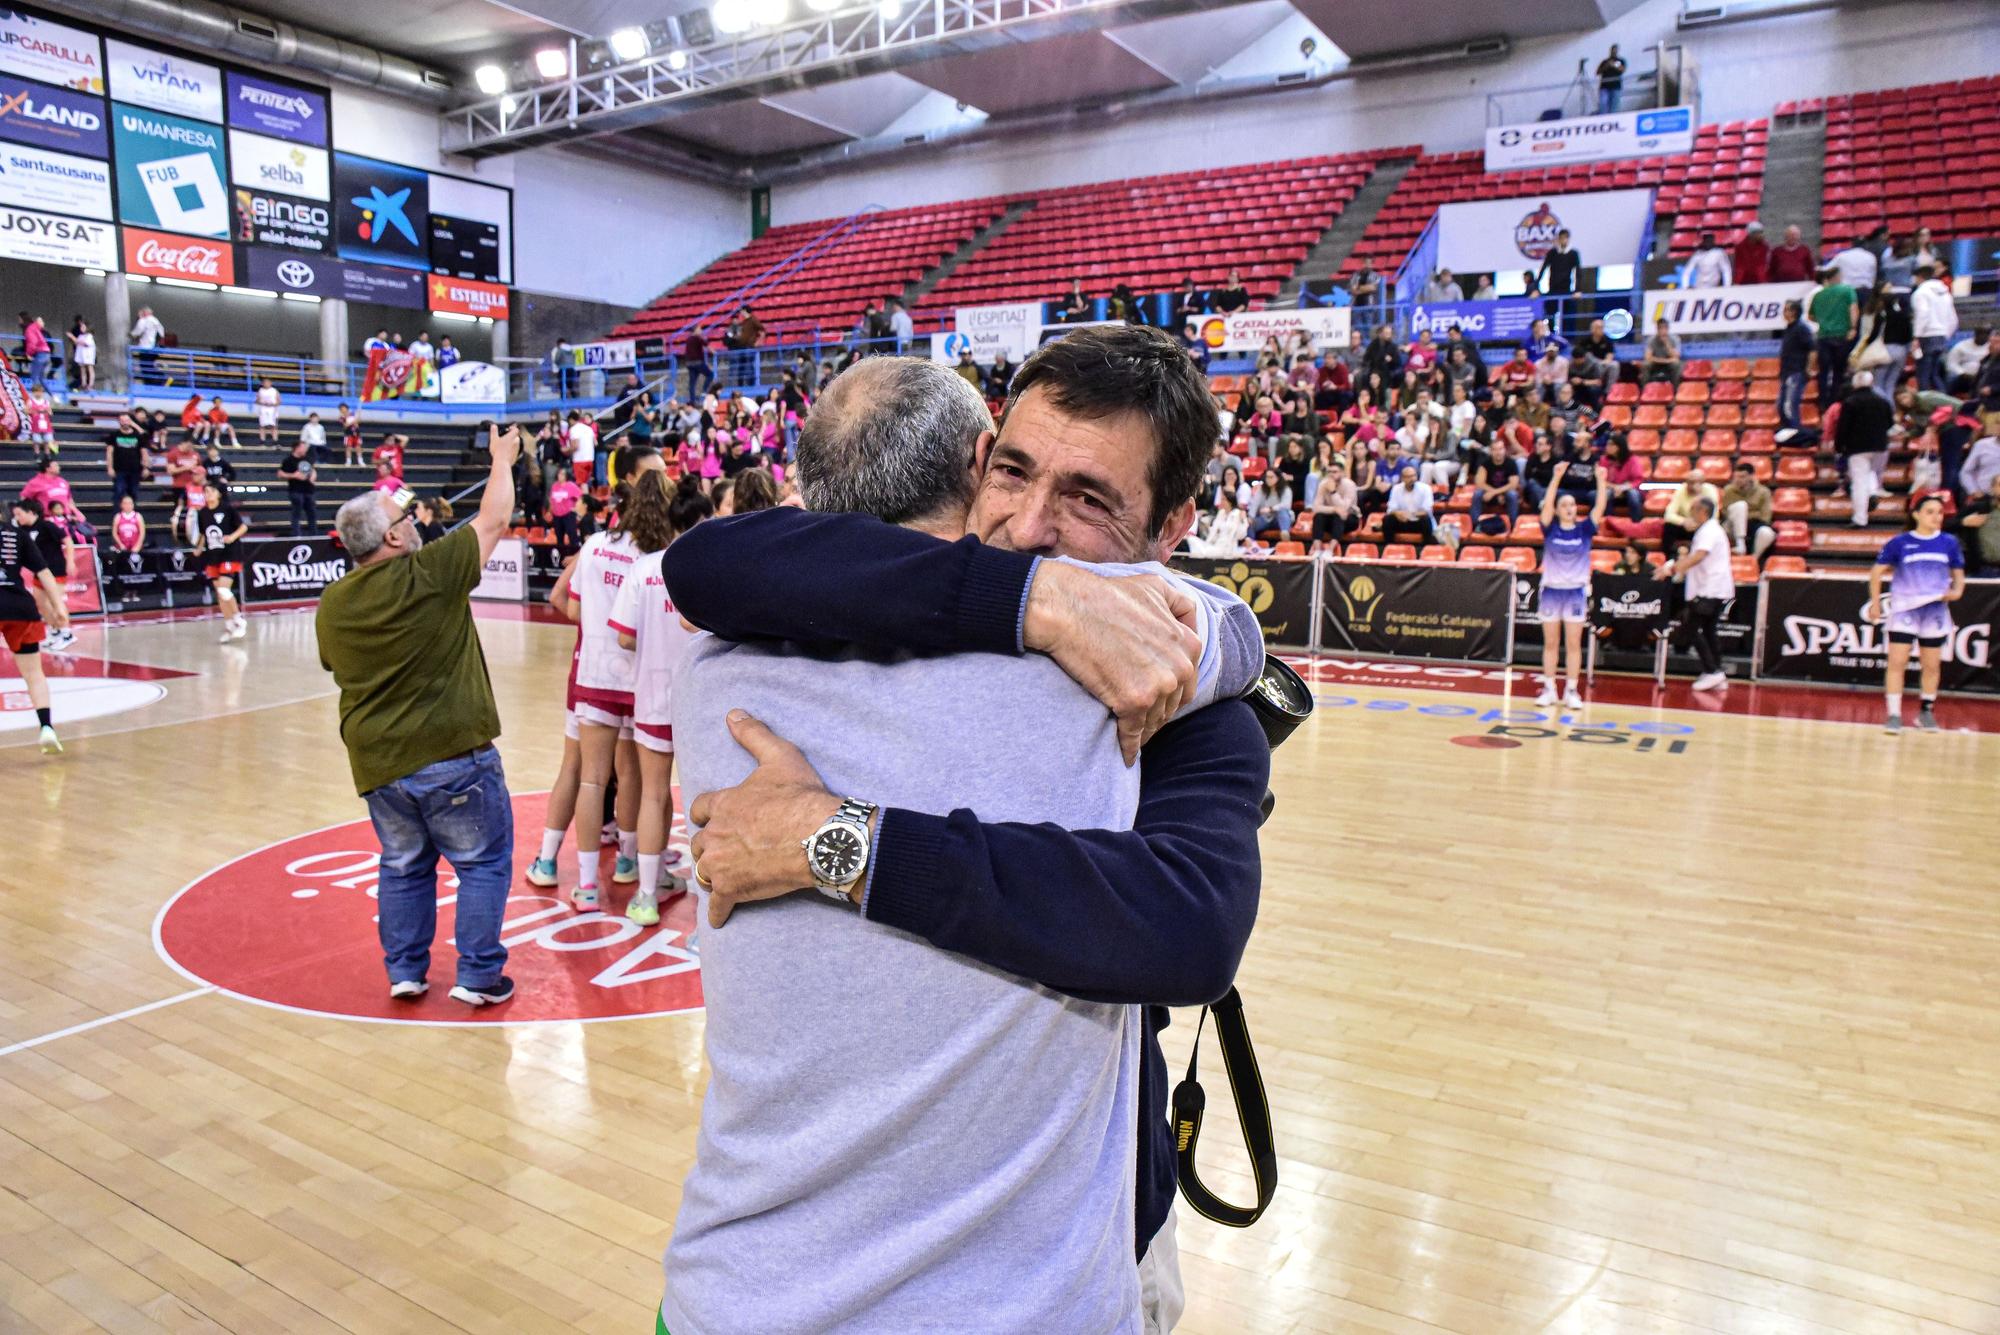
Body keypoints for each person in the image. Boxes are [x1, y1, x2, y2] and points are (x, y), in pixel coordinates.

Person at [661, 331, 1268, 1332]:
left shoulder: (1171, 693)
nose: (1026, 526)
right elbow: (710, 562)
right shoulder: (825, 602)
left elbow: (1187, 928)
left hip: (1074, 1227)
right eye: (1012, 472)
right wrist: (1035, 601)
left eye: (1087, 499)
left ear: (1170, 529)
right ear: (976, 460)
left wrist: (835, 841)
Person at [318, 426, 521, 1005]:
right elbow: (494, 520)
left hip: (379, 763)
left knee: (403, 866)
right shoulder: (427, 574)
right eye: (402, 519)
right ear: (389, 537)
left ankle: (405, 971)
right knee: (482, 865)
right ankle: (478, 976)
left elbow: (336, 667)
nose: (413, 523)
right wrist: (501, 459)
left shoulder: (334, 602)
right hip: (451, 754)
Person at [1869, 493, 1964, 734]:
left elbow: (1958, 574)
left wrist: (1957, 592)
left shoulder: (1949, 542)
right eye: (1930, 512)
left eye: (1940, 513)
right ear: (1916, 515)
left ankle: (1926, 712)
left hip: (1934, 611)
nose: (1936, 517)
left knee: (1931, 664)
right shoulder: (1900, 542)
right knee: (1897, 662)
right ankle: (1893, 714)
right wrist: (1875, 603)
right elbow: (1876, 572)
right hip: (1904, 609)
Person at [1536, 460, 1607, 706]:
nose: (1568, 508)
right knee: (1551, 642)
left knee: (1574, 643)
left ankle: (1572, 691)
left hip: (1576, 592)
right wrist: (1556, 477)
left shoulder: (1585, 529)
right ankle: (1548, 688)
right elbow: (1546, 505)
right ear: (1557, 509)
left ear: (1576, 509)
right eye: (1563, 505)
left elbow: (1600, 506)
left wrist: (1600, 479)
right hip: (1552, 592)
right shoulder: (1549, 529)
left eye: (1572, 505)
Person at [3, 498, 67, 752]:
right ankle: (46, 728)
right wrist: (59, 606)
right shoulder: (18, 535)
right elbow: (43, 572)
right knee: (33, 674)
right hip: (21, 608)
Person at [1658, 495, 1734, 691]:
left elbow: (1698, 556)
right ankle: (1717, 672)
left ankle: (1712, 671)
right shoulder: (1709, 530)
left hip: (1709, 588)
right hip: (1713, 588)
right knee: (1709, 631)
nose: (1690, 514)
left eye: (1693, 510)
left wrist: (1672, 570)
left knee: (1689, 629)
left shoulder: (1709, 531)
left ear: (1703, 512)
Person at [191, 481, 249, 643]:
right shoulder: (202, 513)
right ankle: (229, 625)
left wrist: (231, 537)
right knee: (220, 594)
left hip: (230, 553)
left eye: (211, 491)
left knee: (224, 590)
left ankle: (239, 619)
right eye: (206, 492)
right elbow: (204, 534)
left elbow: (243, 527)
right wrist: (199, 548)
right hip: (213, 555)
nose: (207, 494)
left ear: (218, 494)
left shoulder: (227, 509)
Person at [1835, 370, 1894, 525]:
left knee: (1859, 482)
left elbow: (1843, 428)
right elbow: (1890, 423)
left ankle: (1860, 518)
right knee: (1871, 472)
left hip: (1857, 447)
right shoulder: (1883, 401)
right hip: (1880, 446)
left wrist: (1839, 446)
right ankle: (1873, 491)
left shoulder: (1850, 402)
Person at [1810, 265, 1860, 408]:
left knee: (1824, 371)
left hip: (1823, 336)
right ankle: (1836, 401)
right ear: (1838, 277)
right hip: (1841, 335)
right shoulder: (1847, 290)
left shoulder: (1818, 295)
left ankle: (1822, 403)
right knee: (1839, 371)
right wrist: (1852, 327)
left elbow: (1811, 316)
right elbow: (1853, 309)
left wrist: (1825, 321)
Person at [1910, 264, 1958, 394]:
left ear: (1919, 277)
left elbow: (1923, 314)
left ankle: (1925, 406)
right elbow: (1953, 318)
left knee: (1923, 375)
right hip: (1941, 335)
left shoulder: (1921, 293)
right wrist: (1945, 334)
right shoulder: (1945, 293)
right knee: (1934, 374)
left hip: (1926, 336)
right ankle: (1945, 404)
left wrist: (1916, 336)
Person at [1720, 461, 1776, 560]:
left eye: (1742, 477)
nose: (1738, 480)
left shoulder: (1763, 492)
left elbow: (1765, 516)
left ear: (1751, 476)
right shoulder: (1728, 490)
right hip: (1732, 526)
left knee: (1767, 533)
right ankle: (1740, 544)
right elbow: (1725, 512)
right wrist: (1748, 513)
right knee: (1740, 506)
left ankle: (1753, 560)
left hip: (1754, 526)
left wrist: (1745, 516)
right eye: (1736, 477)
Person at [1777, 299, 1815, 431]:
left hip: (1795, 371)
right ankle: (1788, 432)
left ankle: (1795, 433)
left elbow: (1812, 349)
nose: (1783, 312)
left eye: (1786, 309)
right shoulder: (1789, 329)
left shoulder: (1801, 329)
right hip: (1786, 372)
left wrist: (1809, 368)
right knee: (1781, 406)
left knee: (1790, 406)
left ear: (1793, 312)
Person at [1469, 437, 1521, 534]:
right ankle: (1474, 525)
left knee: (1512, 494)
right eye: (1495, 449)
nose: (1498, 452)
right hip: (1488, 494)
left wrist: (1494, 493)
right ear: (1491, 451)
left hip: (1504, 495)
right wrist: (1494, 493)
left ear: (1504, 450)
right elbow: (1479, 483)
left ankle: (1513, 526)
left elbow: (1513, 485)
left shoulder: (1511, 463)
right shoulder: (1485, 463)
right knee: (1477, 494)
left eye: (1500, 449)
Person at [1309, 457, 1358, 549]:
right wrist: (1334, 509)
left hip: (1350, 518)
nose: (1331, 475)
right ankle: (1317, 550)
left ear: (1342, 473)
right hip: (1331, 516)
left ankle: (1330, 550)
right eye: (1329, 472)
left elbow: (1344, 508)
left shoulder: (1349, 485)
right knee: (1318, 516)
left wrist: (1333, 492)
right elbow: (1316, 508)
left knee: (1338, 517)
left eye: (1335, 472)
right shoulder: (1323, 484)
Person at [103, 412, 146, 510]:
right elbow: (109, 452)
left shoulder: (138, 436)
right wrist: (109, 468)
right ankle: (118, 518)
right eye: (122, 420)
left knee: (134, 493)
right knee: (119, 492)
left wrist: (146, 467)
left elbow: (144, 452)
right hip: (119, 470)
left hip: (135, 470)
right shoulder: (114, 435)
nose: (125, 423)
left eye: (127, 420)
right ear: (119, 422)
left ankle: (132, 518)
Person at [276, 440, 319, 536]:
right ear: (297, 448)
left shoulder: (307, 459)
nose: (305, 450)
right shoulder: (288, 460)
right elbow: (280, 474)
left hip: (308, 490)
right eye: (303, 447)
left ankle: (314, 536)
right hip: (296, 490)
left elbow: (313, 470)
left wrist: (313, 476)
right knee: (297, 514)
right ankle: (297, 535)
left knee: (312, 514)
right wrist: (293, 475)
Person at [1535, 229, 1581, 299]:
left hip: (1566, 287)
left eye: (1565, 238)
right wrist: (1536, 288)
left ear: (1568, 239)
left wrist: (1577, 290)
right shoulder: (1552, 253)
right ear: (1558, 239)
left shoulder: (1573, 254)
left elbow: (1578, 272)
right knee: (1551, 306)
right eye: (1561, 238)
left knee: (1567, 307)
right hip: (1553, 286)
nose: (1563, 240)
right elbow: (1543, 268)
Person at [130, 306, 164, 385]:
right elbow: (161, 333)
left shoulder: (143, 320)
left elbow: (136, 332)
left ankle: (152, 382)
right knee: (150, 364)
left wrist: (139, 318)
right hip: (155, 347)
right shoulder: (155, 320)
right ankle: (159, 379)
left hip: (145, 347)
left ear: (145, 312)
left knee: (144, 366)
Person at [1643, 317, 1682, 384]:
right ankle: (1645, 389)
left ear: (1668, 329)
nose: (1663, 331)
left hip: (1669, 364)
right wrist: (1665, 361)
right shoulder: (1651, 340)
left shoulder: (1675, 339)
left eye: (1665, 328)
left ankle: (1675, 389)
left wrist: (1667, 344)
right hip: (1656, 363)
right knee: (1646, 364)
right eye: (1660, 328)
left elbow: (1676, 356)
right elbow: (1648, 357)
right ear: (1657, 329)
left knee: (1677, 364)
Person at [18, 313, 50, 393]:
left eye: (19, 319)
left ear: (23, 320)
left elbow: (32, 343)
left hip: (40, 354)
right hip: (46, 353)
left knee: (34, 377)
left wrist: (28, 354)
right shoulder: (34, 326)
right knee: (41, 378)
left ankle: (36, 399)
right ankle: (54, 397)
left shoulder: (29, 329)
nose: (18, 321)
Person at [1595, 43, 1626, 114]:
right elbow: (1597, 72)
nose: (1614, 52)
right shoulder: (1605, 61)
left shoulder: (1620, 61)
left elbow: (1622, 70)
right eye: (1613, 50)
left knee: (1614, 107)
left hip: (1616, 86)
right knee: (1603, 105)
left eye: (1615, 50)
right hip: (1604, 86)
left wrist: (1614, 65)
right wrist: (1606, 66)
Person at [66, 318, 95, 393]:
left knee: (89, 369)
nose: (81, 328)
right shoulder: (80, 336)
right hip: (81, 355)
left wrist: (72, 337)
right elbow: (76, 342)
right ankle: (84, 384)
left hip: (88, 355)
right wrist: (73, 339)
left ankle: (90, 385)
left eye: (83, 327)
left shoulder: (89, 336)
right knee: (82, 370)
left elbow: (84, 343)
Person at [254, 378, 280, 443]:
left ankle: (275, 440)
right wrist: (263, 403)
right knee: (262, 425)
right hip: (263, 409)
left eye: (268, 382)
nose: (266, 384)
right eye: (265, 382)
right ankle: (262, 440)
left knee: (273, 425)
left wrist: (272, 404)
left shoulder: (274, 391)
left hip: (272, 409)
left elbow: (279, 401)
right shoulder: (260, 391)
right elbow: (256, 401)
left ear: (270, 383)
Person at [340, 403, 363, 467]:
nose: (343, 410)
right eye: (342, 409)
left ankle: (360, 461)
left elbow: (358, 423)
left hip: (356, 434)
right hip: (348, 434)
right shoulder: (341, 418)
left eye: (344, 408)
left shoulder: (353, 414)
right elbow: (345, 425)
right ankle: (348, 461)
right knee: (348, 448)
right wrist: (353, 422)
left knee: (358, 447)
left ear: (347, 409)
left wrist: (357, 418)